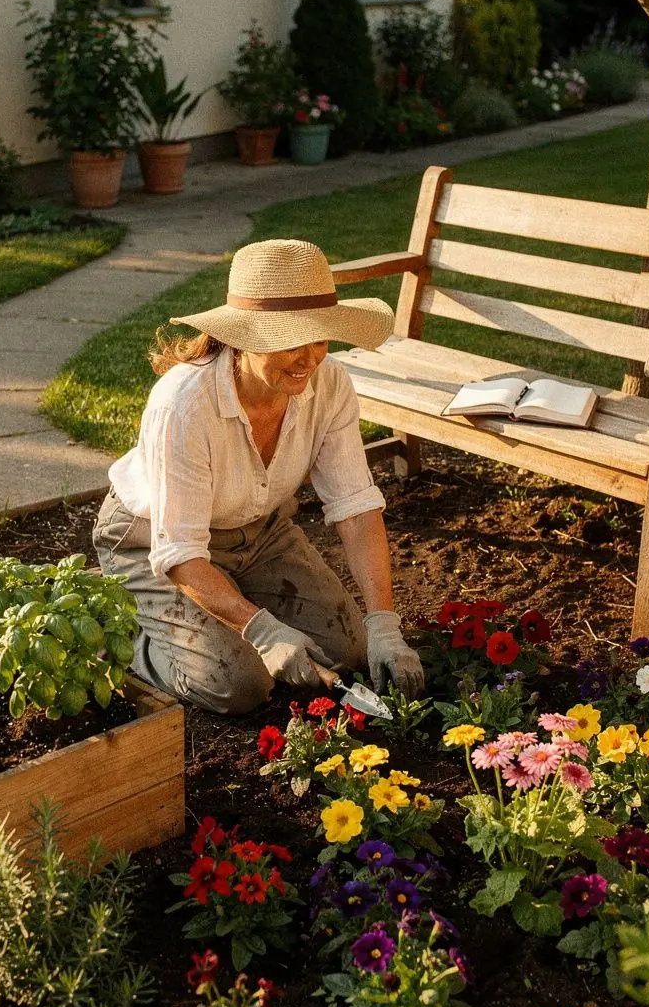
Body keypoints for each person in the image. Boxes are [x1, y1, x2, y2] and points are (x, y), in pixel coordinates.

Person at [93, 237, 424, 715]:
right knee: (239, 685)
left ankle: (222, 605)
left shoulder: (329, 384)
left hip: (260, 534)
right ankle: (119, 626)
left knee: (348, 651)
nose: (309, 359)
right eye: (290, 341)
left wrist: (384, 626)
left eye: (319, 338)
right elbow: (181, 552)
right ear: (242, 338)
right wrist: (264, 631)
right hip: (151, 543)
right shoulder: (184, 404)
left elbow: (355, 507)